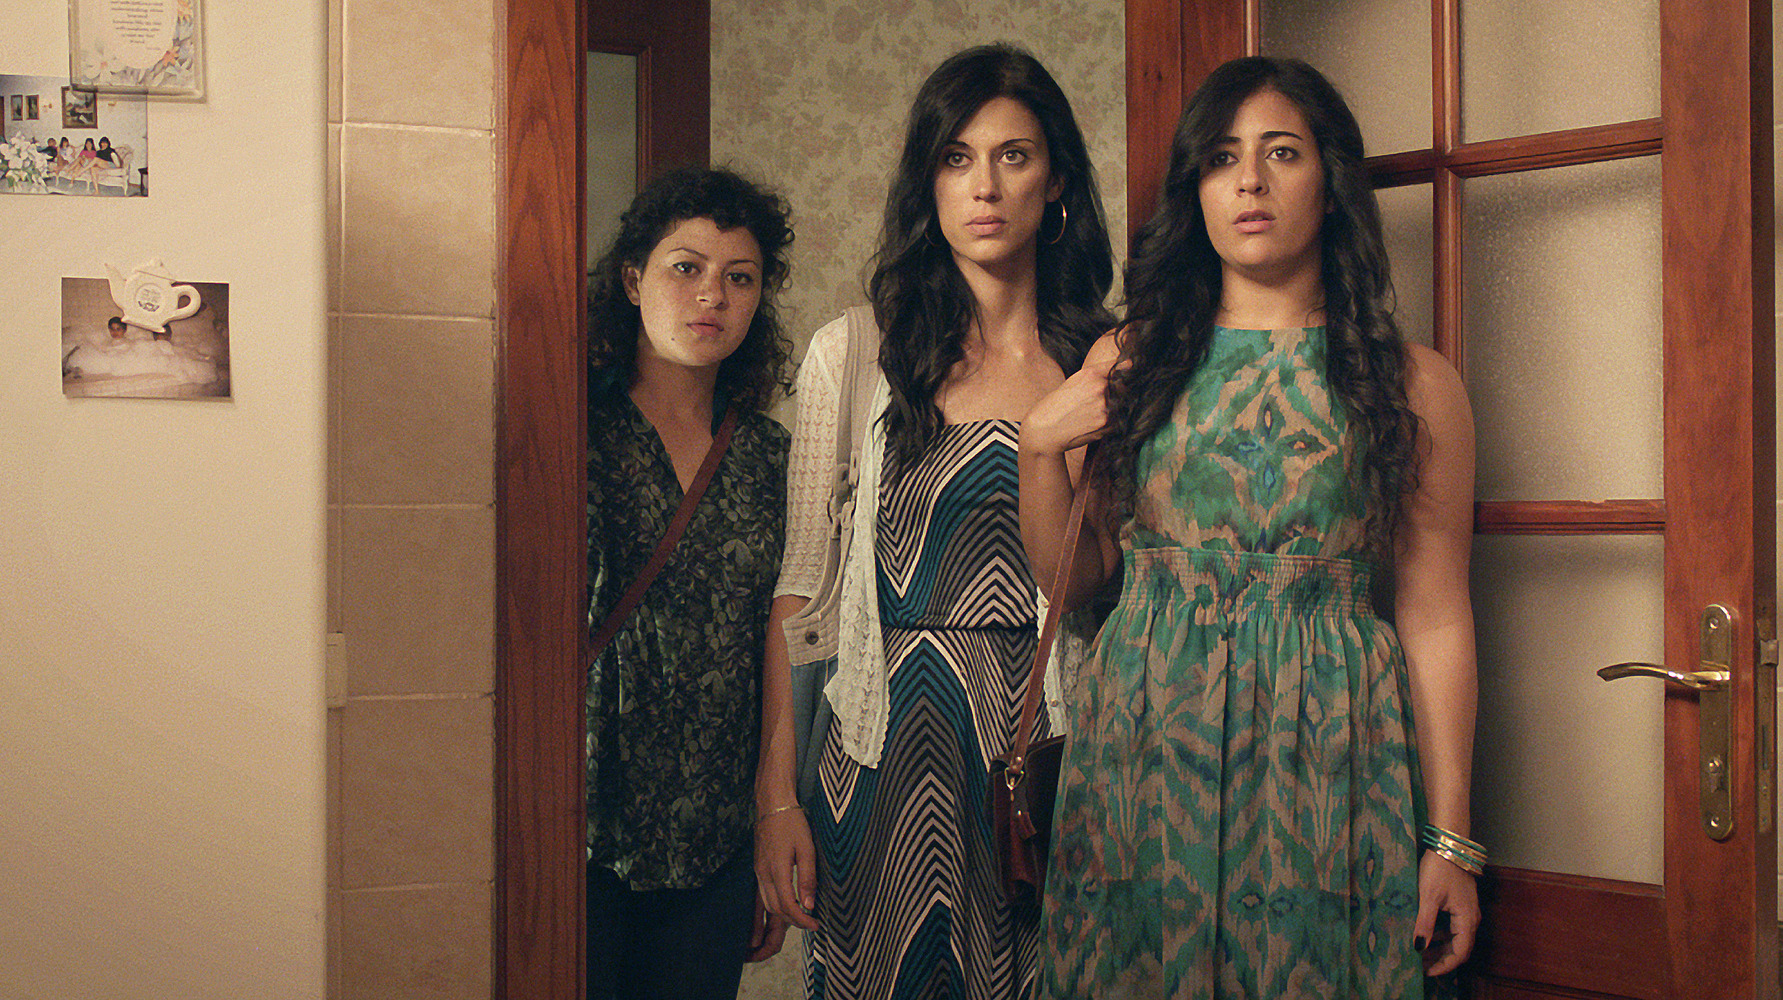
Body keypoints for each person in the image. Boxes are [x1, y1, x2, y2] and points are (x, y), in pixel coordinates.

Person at [1019, 56, 1481, 998]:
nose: (1249, 182)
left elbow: (1435, 616)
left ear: (1330, 181)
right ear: (1194, 188)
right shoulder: (1127, 359)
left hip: (1331, 754)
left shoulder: (1411, 382)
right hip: (1144, 744)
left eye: (1282, 153)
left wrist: (1450, 841)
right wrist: (1035, 447)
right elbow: (1077, 583)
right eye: (1222, 158)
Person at [756, 43, 1115, 999]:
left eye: (1012, 155)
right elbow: (801, 595)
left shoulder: (1101, 361)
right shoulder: (855, 353)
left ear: (1056, 181)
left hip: (1045, 762)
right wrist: (776, 800)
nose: (983, 186)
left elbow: (1104, 584)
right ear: (928, 181)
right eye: (956, 158)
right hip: (878, 756)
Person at [583, 166, 795, 1000]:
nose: (712, 295)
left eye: (739, 278)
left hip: (714, 834)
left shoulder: (770, 458)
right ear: (633, 279)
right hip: (579, 822)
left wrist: (773, 817)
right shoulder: (570, 430)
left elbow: (785, 641)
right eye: (686, 268)